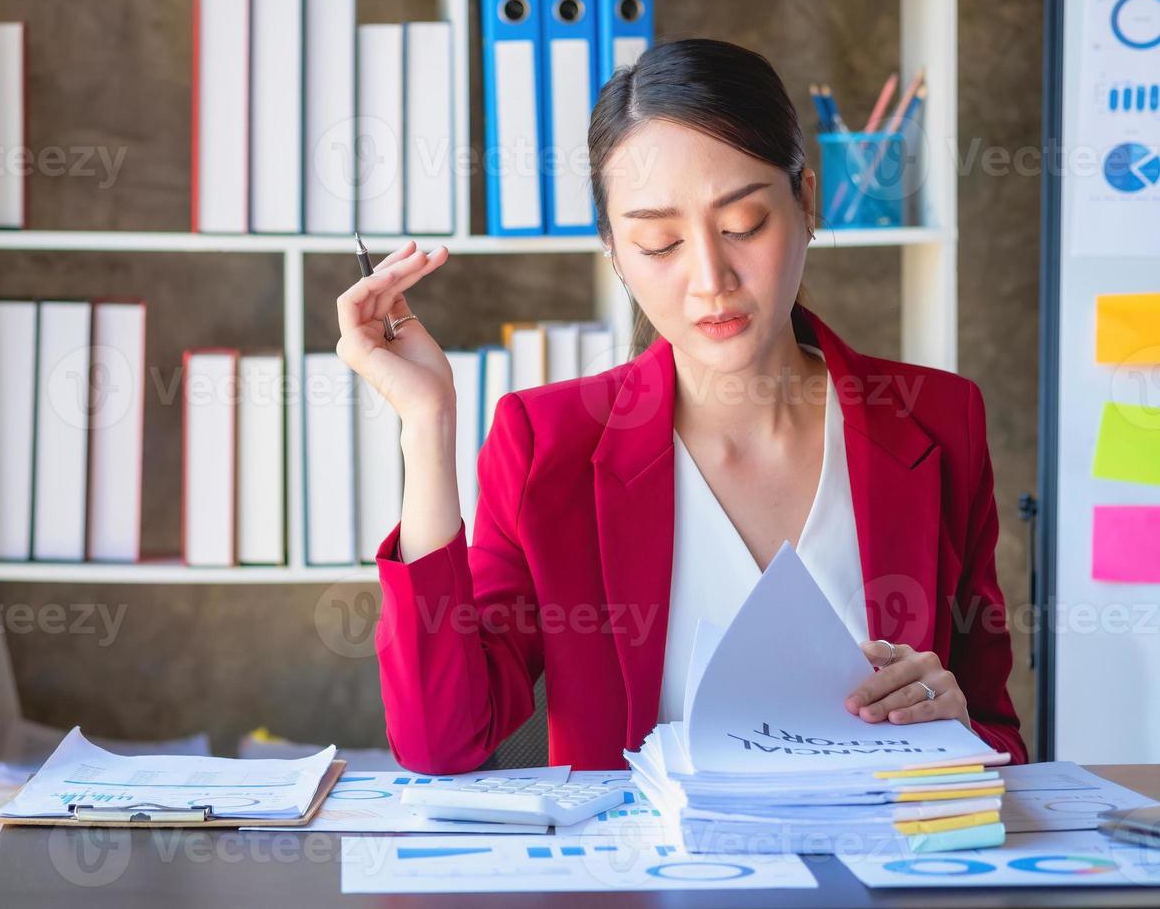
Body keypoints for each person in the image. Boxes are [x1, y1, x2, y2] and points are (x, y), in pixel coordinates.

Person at [333, 38, 1025, 774]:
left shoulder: (939, 424)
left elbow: (999, 738)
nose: (710, 279)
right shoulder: (546, 444)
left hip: (874, 879)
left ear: (808, 202)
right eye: (659, 243)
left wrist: (956, 732)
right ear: (613, 250)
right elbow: (444, 741)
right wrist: (427, 426)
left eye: (742, 226)